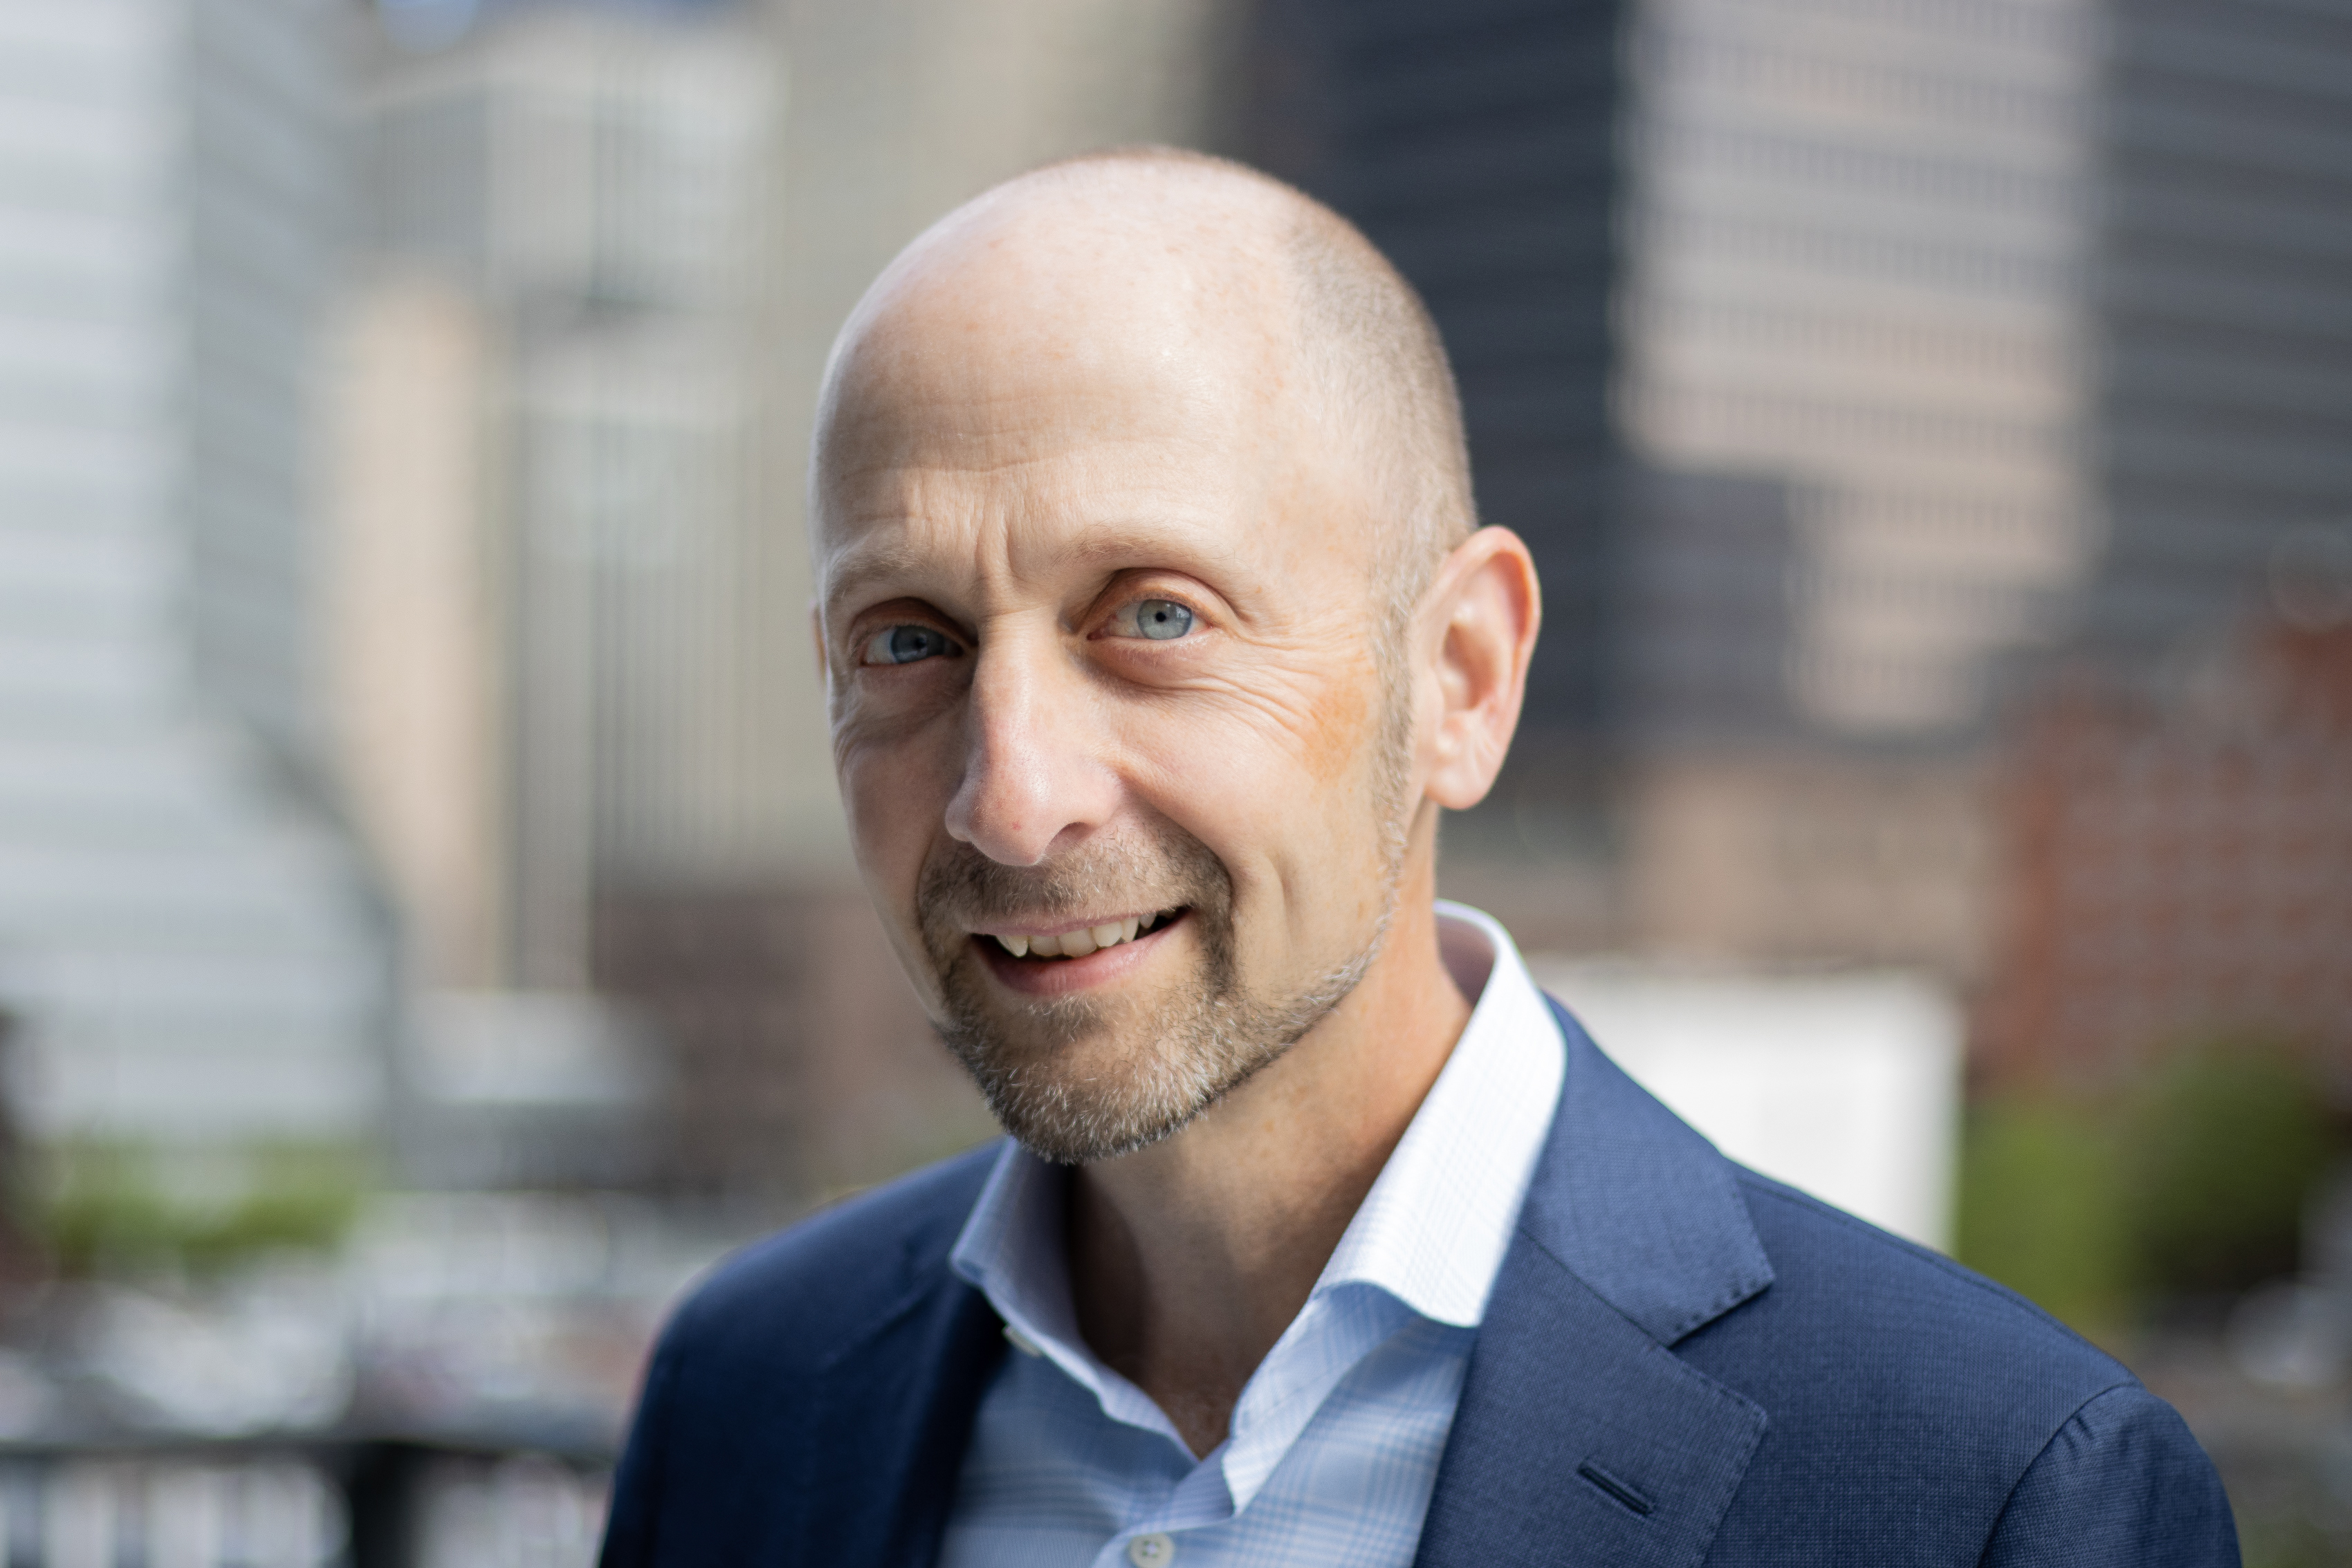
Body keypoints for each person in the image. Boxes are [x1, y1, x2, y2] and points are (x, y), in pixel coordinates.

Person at [598, 149, 2237, 1567]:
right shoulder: (748, 1395)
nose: (1011, 800)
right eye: (909, 642)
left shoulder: (1995, 1500)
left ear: (1459, 679)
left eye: (1155, 616)